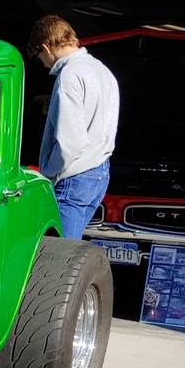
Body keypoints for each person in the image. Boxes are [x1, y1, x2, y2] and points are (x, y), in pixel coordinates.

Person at [29, 15, 120, 239]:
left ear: (45, 47)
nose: (43, 63)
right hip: (99, 172)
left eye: (40, 56)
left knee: (58, 258)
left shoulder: (69, 75)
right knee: (69, 252)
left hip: (74, 176)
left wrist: (47, 172)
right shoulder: (102, 70)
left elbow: (70, 143)